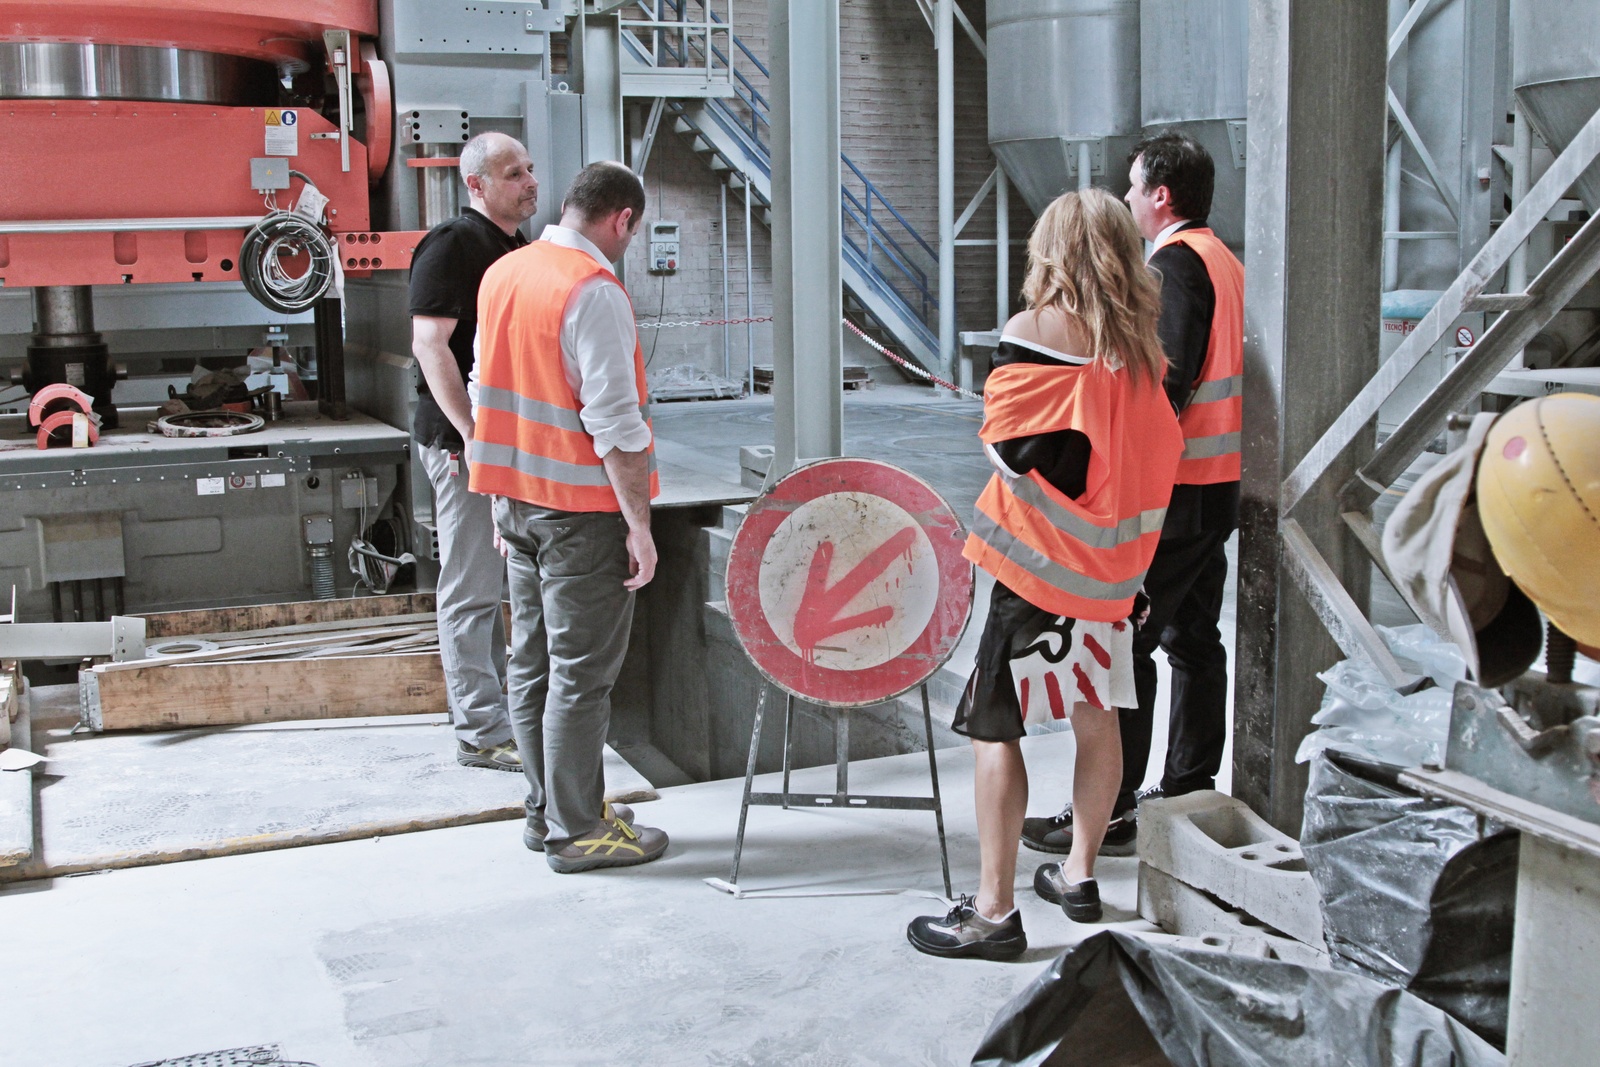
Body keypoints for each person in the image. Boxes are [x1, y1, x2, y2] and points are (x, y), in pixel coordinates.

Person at [907, 188, 1184, 960]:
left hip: (1040, 575)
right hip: (1114, 579)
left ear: (1052, 250)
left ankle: (994, 914)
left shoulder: (1035, 331)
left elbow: (1010, 450)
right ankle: (1079, 875)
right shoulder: (1144, 356)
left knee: (994, 728)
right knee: (1099, 718)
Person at [1021, 132, 1245, 857]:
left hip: (1177, 493)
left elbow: (1165, 380)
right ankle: (1187, 789)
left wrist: (1121, 463)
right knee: (1195, 641)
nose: (1125, 199)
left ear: (1160, 196)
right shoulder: (1223, 257)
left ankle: (1113, 811)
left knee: (1129, 645)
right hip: (1216, 485)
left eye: (1132, 186)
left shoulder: (1173, 266)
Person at [469, 161, 668, 873]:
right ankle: (577, 830)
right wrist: (639, 524)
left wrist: (499, 496)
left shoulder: (506, 273)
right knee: (580, 676)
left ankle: (547, 810)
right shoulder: (593, 291)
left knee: (533, 665)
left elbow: (486, 390)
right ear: (623, 219)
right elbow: (615, 423)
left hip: (518, 505)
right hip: (580, 514)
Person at [409, 131, 538, 772]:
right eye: (514, 173)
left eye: (530, 169)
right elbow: (430, 345)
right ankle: (480, 732)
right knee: (470, 586)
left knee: (490, 586)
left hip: (501, 445)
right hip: (463, 445)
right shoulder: (454, 243)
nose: (530, 182)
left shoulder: (516, 247)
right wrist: (472, 434)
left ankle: (491, 713)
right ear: (476, 185)